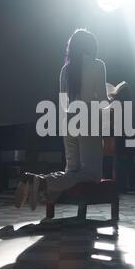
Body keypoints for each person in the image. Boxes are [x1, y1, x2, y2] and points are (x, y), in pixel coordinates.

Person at [15, 28, 112, 210]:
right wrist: (113, 97)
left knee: (72, 171)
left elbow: (63, 104)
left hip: (68, 123)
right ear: (91, 46)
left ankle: (38, 180)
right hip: (89, 121)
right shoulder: (98, 65)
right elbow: (102, 102)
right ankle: (42, 183)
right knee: (91, 175)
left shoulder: (65, 70)